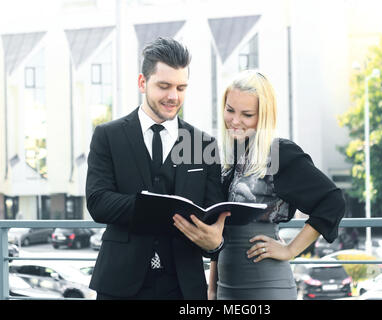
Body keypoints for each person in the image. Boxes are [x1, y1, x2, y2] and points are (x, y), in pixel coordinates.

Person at [86, 37, 229, 300]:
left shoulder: (203, 144)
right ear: (143, 83)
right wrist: (155, 209)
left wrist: (215, 243)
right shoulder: (108, 135)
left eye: (181, 87)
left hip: (184, 286)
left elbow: (213, 215)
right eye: (164, 86)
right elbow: (97, 202)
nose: (173, 96)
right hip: (120, 284)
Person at [205, 70, 346, 300]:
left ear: (264, 116)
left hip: (266, 286)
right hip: (226, 287)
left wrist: (290, 249)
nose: (235, 120)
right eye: (230, 110)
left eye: (247, 114)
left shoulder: (279, 153)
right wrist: (212, 289)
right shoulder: (231, 158)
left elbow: (332, 201)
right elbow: (218, 228)